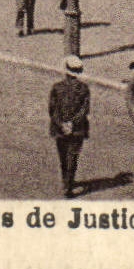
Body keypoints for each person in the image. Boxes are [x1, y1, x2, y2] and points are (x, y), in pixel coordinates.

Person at [48, 55, 91, 198]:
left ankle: (65, 181)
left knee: (63, 156)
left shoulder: (56, 88)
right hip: (77, 129)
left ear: (65, 71)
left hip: (59, 129)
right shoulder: (84, 89)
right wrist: (72, 123)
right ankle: (69, 185)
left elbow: (52, 110)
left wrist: (62, 124)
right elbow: (84, 110)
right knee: (73, 156)